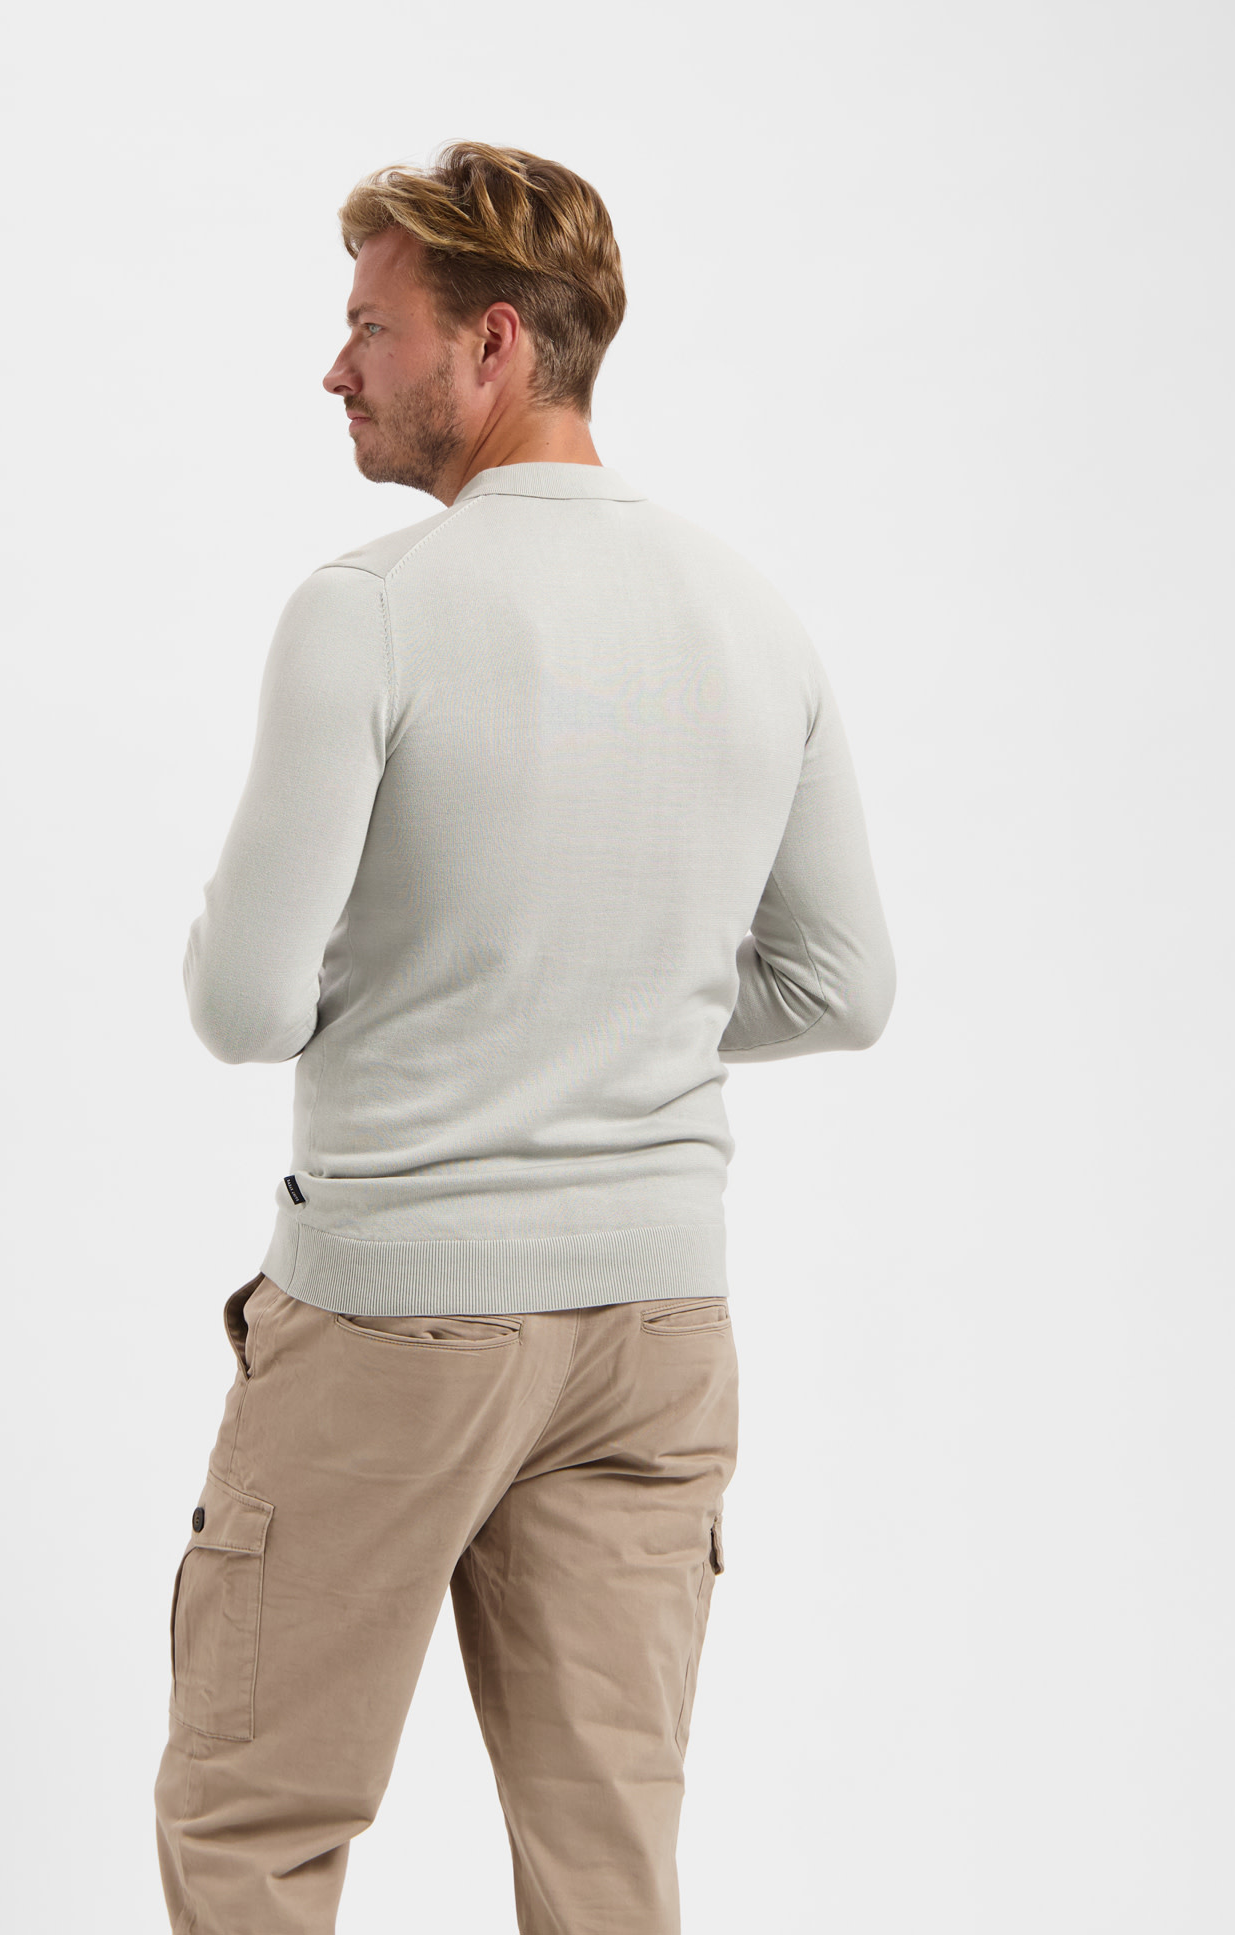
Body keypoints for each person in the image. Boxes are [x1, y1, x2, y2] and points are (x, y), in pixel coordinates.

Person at [153, 141, 895, 1935]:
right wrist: (607, 1007)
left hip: (398, 1312)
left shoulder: (371, 611)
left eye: (371, 327)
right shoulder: (752, 615)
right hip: (657, 1328)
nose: (336, 368)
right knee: (607, 1860)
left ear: (493, 343)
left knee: (254, 1829)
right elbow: (842, 984)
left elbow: (244, 1006)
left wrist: (463, 1002)